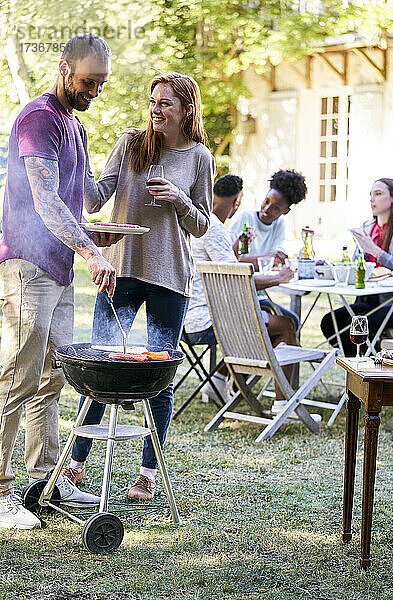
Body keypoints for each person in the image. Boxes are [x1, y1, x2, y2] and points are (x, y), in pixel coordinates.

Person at [62, 72, 215, 500]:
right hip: (121, 268)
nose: (156, 109)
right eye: (153, 101)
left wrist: (179, 200)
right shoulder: (131, 142)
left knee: (160, 376)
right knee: (100, 367)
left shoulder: (200, 157)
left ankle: (148, 473)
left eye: (166, 103)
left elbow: (201, 225)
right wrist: (76, 162)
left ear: (187, 109)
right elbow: (94, 197)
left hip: (170, 276)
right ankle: (75, 464)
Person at [0, 34, 120, 530]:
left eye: (102, 85)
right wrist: (91, 250)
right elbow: (46, 200)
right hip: (28, 265)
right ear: (64, 68)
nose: (95, 92)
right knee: (17, 378)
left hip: (60, 267)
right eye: (89, 82)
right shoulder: (38, 120)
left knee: (53, 378)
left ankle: (45, 480)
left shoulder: (76, 127)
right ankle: (2, 490)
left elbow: (87, 198)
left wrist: (123, 153)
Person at [184, 173, 301, 412]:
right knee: (286, 325)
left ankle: (219, 377)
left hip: (185, 317)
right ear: (236, 203)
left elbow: (227, 267)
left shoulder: (196, 222)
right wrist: (279, 277)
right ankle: (282, 404)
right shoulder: (215, 230)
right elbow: (234, 281)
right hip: (207, 320)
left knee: (273, 318)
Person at [321, 178, 393, 358]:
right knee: (329, 322)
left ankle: (368, 365)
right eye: (371, 195)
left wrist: (375, 251)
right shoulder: (367, 227)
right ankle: (362, 364)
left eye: (378, 194)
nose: (372, 199)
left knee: (354, 324)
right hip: (369, 297)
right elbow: (358, 264)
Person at [227, 169, 307, 269]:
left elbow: (276, 259)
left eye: (276, 208)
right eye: (266, 201)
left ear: (286, 211)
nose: (266, 209)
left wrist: (270, 260)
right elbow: (229, 259)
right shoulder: (245, 217)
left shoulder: (279, 224)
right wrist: (267, 260)